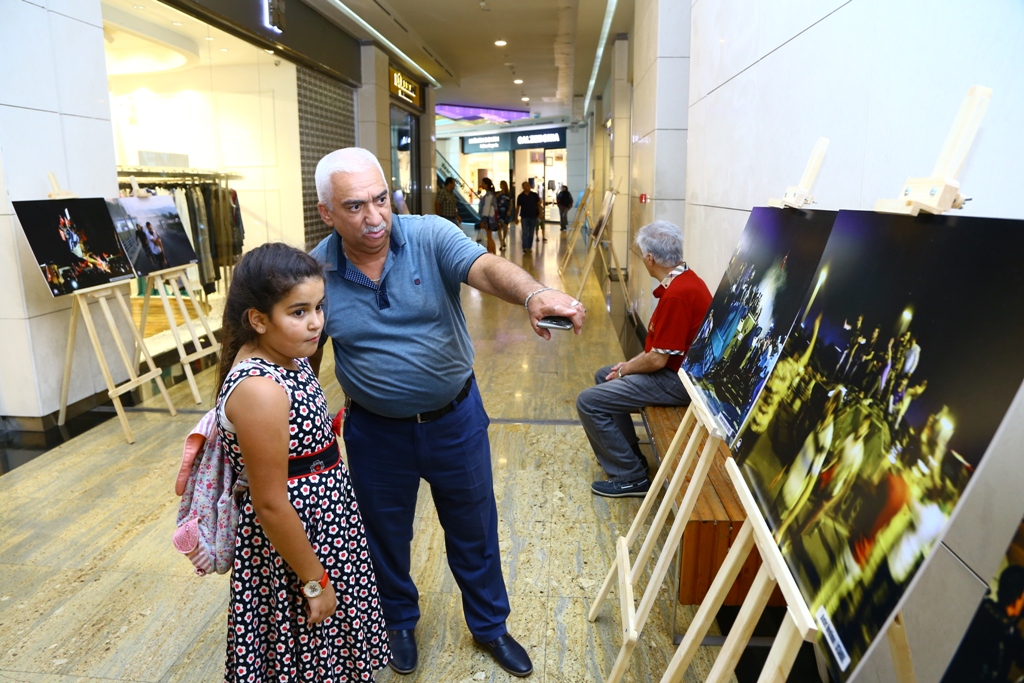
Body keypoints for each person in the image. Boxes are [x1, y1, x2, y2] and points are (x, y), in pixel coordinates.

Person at [309, 147, 585, 678]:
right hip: (374, 431)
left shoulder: (429, 234)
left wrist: (534, 294)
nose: (374, 218)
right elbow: (304, 353)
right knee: (383, 534)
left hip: (454, 419)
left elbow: (483, 266)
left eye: (380, 200)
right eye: (354, 207)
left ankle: (489, 628)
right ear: (326, 213)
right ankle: (396, 621)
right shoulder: (317, 271)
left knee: (474, 528)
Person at [215, 243, 389, 682]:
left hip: (324, 524)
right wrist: (316, 581)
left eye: (319, 307)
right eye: (298, 312)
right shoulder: (260, 388)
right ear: (258, 319)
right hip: (301, 539)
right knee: (310, 649)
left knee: (332, 649)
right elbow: (271, 503)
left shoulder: (288, 357)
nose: (316, 322)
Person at [576, 220, 712, 498]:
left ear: (650, 258)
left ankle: (631, 477)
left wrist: (626, 369)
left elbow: (657, 361)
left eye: (642, 257)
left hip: (679, 381)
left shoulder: (678, 294)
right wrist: (622, 369)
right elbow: (658, 348)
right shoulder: (685, 280)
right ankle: (630, 455)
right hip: (676, 370)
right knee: (605, 374)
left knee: (588, 402)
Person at [515, 181, 542, 253]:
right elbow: (518, 207)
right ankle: (525, 247)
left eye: (529, 185)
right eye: (527, 185)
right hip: (524, 216)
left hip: (533, 216)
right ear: (523, 187)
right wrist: (516, 217)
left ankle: (529, 246)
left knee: (531, 232)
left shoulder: (534, 195)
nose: (529, 186)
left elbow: (539, 204)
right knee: (525, 232)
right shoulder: (520, 196)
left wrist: (540, 213)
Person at [478, 177, 498, 254]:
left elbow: (486, 208)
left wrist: (483, 220)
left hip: (489, 219)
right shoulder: (490, 194)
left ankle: (491, 253)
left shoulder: (489, 195)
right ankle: (493, 253)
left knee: (489, 237)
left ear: (486, 185)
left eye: (483, 183)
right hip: (491, 218)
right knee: (489, 237)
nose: (481, 184)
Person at [496, 179, 512, 251]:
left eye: (502, 184)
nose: (501, 186)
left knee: (505, 226)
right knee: (499, 226)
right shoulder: (498, 194)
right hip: (499, 211)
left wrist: (509, 210)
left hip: (506, 211)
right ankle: (501, 242)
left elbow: (511, 203)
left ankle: (504, 239)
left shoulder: (509, 194)